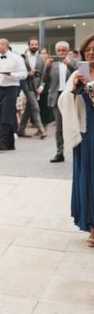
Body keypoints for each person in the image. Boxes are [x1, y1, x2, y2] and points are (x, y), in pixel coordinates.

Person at [57, 33, 94, 247]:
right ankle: (92, 226)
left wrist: (90, 84)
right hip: (84, 133)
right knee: (86, 177)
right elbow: (63, 101)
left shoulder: (88, 77)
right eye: (87, 49)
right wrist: (73, 90)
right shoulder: (78, 73)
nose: (90, 53)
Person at [0, 38, 28, 151]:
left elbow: (24, 74)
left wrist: (11, 74)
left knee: (6, 115)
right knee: (3, 116)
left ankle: (3, 141)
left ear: (4, 46)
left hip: (12, 88)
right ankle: (10, 144)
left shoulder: (17, 58)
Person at [44, 41, 78, 162]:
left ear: (68, 51)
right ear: (56, 51)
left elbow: (81, 77)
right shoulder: (52, 63)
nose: (61, 53)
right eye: (59, 50)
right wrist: (47, 67)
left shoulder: (75, 62)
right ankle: (60, 153)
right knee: (59, 127)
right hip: (56, 97)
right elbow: (45, 79)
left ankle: (76, 152)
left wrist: (70, 65)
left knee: (74, 125)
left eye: (64, 50)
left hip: (71, 96)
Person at [19, 37, 47, 139]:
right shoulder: (23, 58)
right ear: (29, 45)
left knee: (29, 108)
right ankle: (41, 130)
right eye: (32, 44)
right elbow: (19, 71)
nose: (34, 46)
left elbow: (44, 74)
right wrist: (28, 73)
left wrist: (41, 86)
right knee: (35, 107)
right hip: (26, 85)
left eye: (36, 44)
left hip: (37, 86)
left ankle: (20, 129)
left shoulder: (41, 58)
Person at [39, 48, 56, 126]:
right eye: (42, 53)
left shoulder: (51, 63)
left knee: (45, 107)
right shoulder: (39, 63)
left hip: (47, 86)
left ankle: (45, 126)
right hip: (38, 87)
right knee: (39, 107)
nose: (43, 55)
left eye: (45, 53)